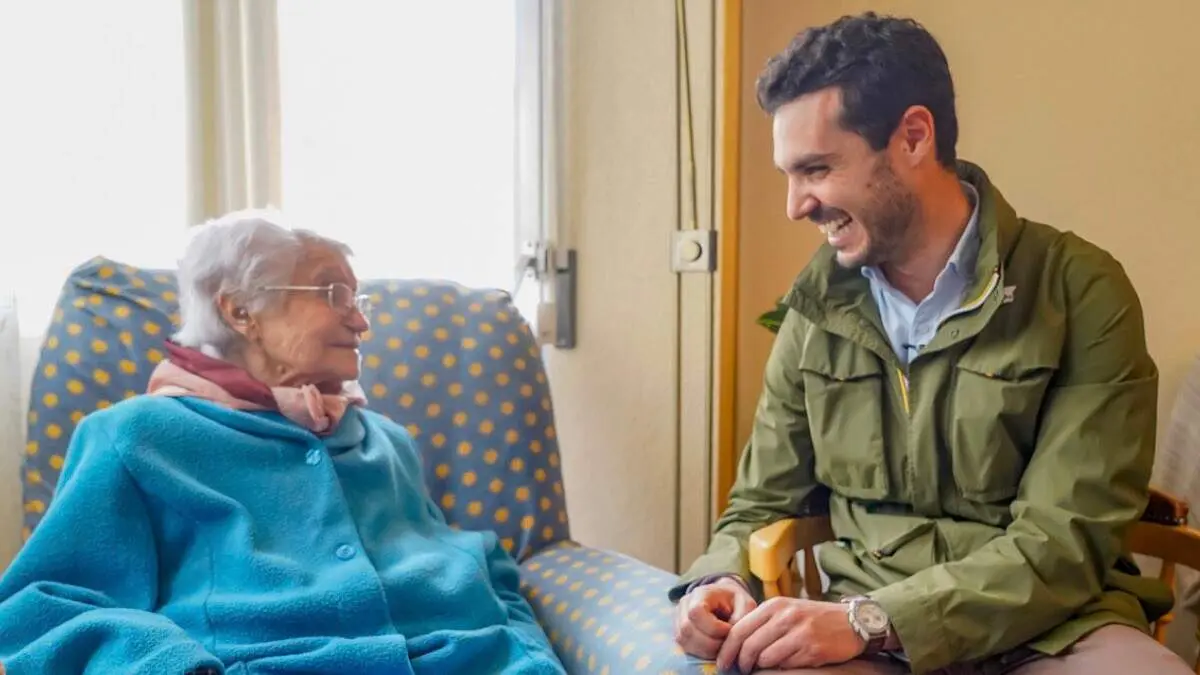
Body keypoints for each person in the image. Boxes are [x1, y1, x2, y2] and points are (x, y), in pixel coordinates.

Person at [671, 12, 1192, 675]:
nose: (795, 205)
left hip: (1057, 628)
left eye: (817, 169)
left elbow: (1063, 542)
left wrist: (879, 621)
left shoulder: (1081, 290)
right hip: (860, 622)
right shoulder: (815, 310)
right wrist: (715, 582)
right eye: (789, 175)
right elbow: (761, 502)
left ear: (914, 136)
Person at [0, 210, 565, 675]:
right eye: (333, 293)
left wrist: (530, 652)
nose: (361, 323)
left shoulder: (386, 440)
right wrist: (170, 666)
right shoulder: (136, 436)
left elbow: (481, 567)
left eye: (358, 299)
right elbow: (44, 607)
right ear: (240, 308)